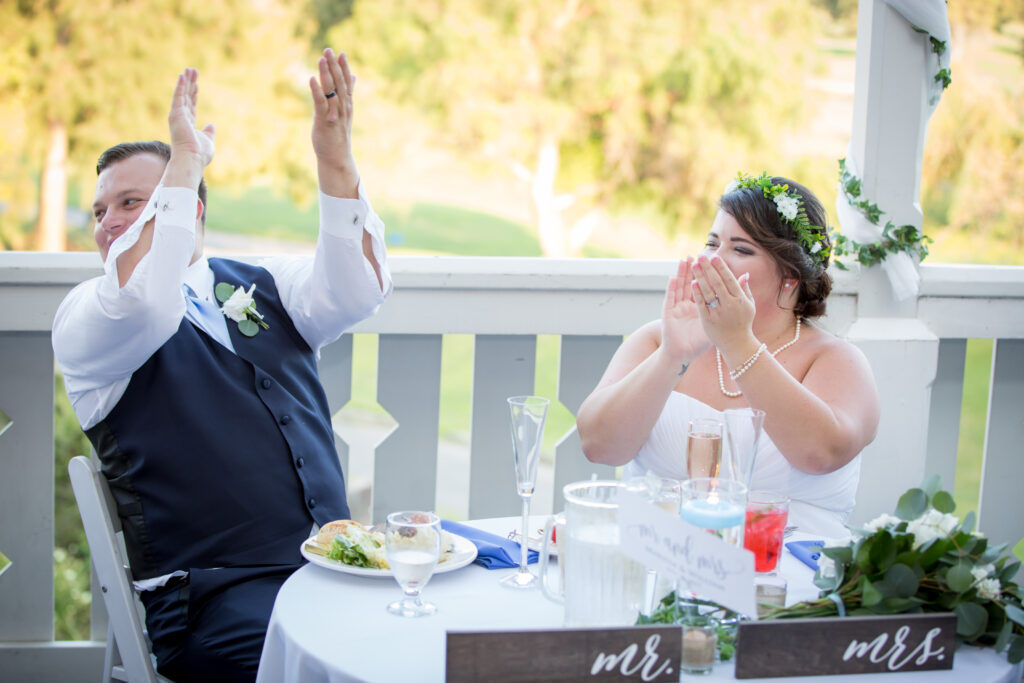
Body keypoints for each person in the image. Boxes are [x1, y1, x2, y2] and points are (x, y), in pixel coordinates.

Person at [52, 49, 391, 682]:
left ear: (191, 210)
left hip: (335, 570)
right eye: (102, 211)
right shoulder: (88, 319)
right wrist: (184, 162)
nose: (109, 225)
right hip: (210, 603)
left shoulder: (267, 284)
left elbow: (356, 290)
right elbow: (148, 306)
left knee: (441, 639)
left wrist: (333, 156)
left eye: (131, 203)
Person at [576, 173, 879, 538]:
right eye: (712, 243)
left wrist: (739, 343)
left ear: (790, 277)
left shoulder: (836, 361)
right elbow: (598, 446)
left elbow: (820, 454)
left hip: (785, 576)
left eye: (740, 249)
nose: (711, 261)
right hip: (656, 559)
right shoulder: (659, 340)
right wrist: (672, 356)